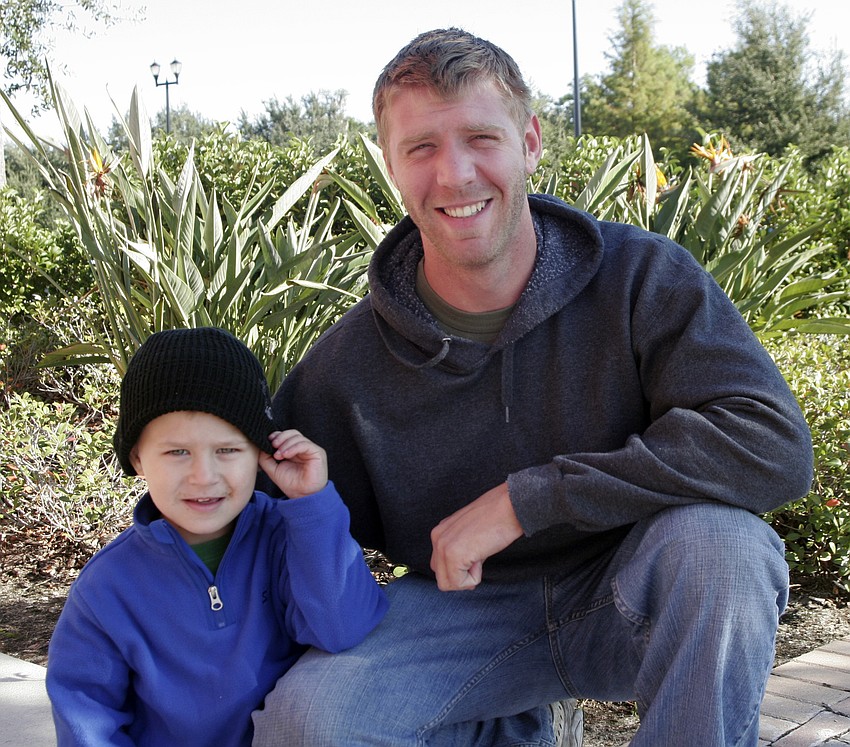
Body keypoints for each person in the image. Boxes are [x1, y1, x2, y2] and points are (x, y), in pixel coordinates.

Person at [252, 28, 813, 746]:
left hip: (630, 589)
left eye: (481, 138)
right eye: (421, 148)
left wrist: (526, 500)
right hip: (461, 617)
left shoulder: (642, 278)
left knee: (727, 549)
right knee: (305, 720)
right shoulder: (351, 359)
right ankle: (512, 726)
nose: (454, 174)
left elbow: (772, 445)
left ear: (531, 142)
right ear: (392, 167)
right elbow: (246, 496)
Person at [46, 327, 388, 747]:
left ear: (262, 454)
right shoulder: (107, 589)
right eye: (177, 452)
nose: (204, 476)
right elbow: (87, 717)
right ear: (137, 457)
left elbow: (342, 629)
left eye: (228, 450)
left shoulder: (289, 540)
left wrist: (312, 504)